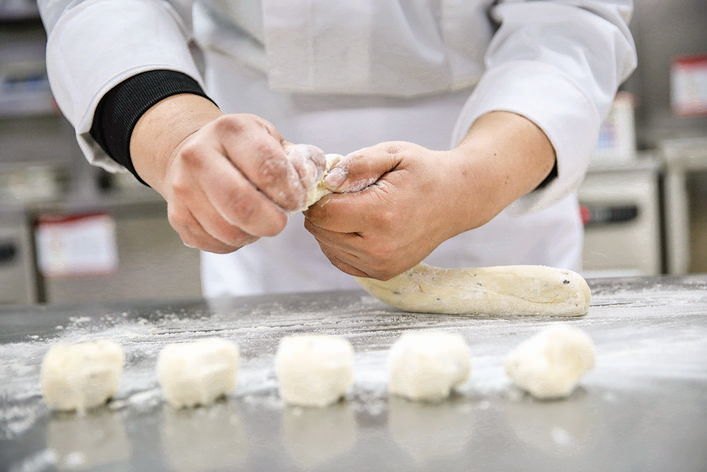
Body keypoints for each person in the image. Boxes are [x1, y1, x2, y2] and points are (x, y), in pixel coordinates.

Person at [37, 0, 636, 297]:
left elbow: (569, 23)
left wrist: (471, 183)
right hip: (254, 206)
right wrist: (177, 139)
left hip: (497, 183)